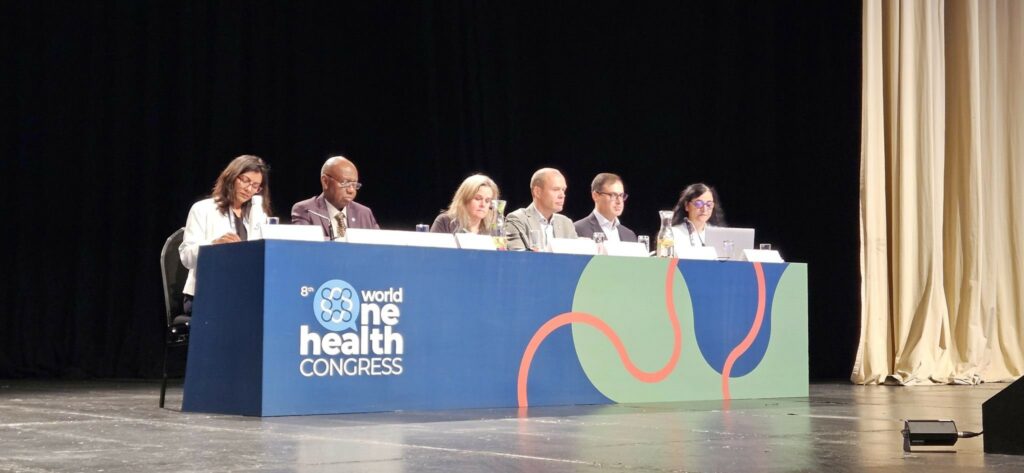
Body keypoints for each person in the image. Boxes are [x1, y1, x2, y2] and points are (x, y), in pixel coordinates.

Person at [179, 155, 273, 311]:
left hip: (244, 292)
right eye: (245, 180)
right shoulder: (203, 209)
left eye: (256, 185)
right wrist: (213, 246)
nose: (249, 189)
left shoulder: (258, 214)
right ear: (232, 177)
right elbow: (186, 257)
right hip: (207, 293)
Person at [291, 156, 379, 239]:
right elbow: (304, 247)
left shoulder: (364, 213)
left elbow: (379, 247)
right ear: (325, 182)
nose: (351, 190)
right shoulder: (306, 210)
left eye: (354, 184)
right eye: (345, 183)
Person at [505, 168, 577, 250]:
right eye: (556, 189)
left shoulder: (566, 223)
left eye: (563, 190)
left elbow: (576, 258)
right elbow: (518, 258)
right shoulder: (517, 220)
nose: (562, 195)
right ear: (537, 192)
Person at [574, 173, 638, 242]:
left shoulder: (629, 235)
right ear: (595, 196)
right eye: (613, 195)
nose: (619, 201)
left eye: (621, 195)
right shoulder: (578, 230)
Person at [430, 174, 500, 234]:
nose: (483, 204)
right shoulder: (445, 222)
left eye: (487, 201)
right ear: (464, 199)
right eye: (478, 199)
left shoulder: (493, 228)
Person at [670, 183, 726, 249]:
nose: (704, 209)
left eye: (709, 204)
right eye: (699, 203)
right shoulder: (673, 233)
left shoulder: (718, 235)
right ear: (687, 206)